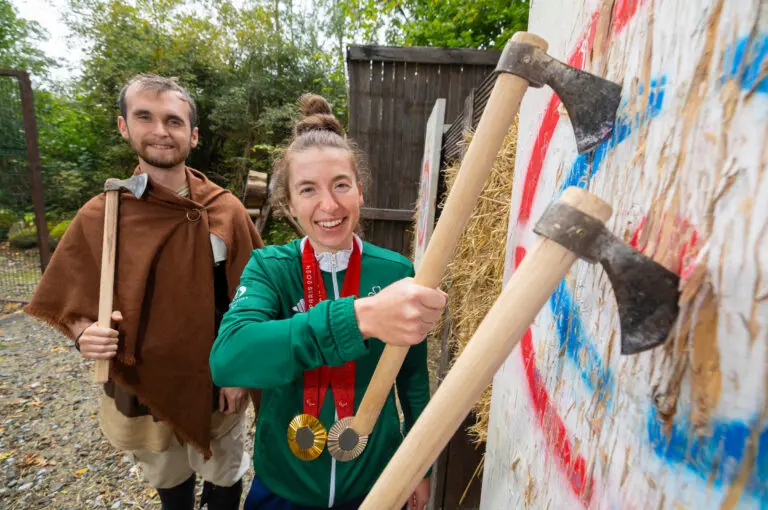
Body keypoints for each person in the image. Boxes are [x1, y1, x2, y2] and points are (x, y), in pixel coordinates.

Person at [24, 73, 263, 510]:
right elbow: (70, 299)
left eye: (173, 121)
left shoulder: (224, 209)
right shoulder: (105, 214)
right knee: (169, 483)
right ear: (123, 126)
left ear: (192, 134)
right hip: (144, 381)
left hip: (218, 377)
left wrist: (242, 370)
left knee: (225, 478)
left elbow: (254, 297)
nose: (160, 131)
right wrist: (83, 335)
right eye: (145, 117)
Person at [209, 94, 446, 510]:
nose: (329, 205)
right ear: (289, 203)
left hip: (375, 483)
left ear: (360, 190)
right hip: (285, 485)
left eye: (341, 185)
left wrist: (419, 466)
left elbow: (412, 381)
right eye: (308, 190)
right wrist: (358, 318)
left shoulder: (395, 271)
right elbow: (228, 359)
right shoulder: (270, 268)